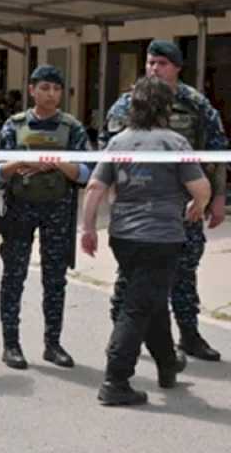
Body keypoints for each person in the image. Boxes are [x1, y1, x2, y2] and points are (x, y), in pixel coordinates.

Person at [82, 76, 210, 406]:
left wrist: (88, 228)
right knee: (138, 306)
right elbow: (200, 187)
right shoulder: (175, 142)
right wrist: (199, 205)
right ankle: (116, 379)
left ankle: (167, 364)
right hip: (162, 237)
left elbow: (95, 187)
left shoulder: (119, 142)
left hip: (124, 236)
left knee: (150, 298)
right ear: (166, 107)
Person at [100, 40, 228, 362]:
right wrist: (114, 196)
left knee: (185, 271)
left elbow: (217, 152)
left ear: (177, 68)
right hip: (138, 208)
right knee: (132, 273)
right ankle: (122, 334)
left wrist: (217, 198)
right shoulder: (127, 104)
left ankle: (189, 335)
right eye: (150, 63)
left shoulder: (196, 104)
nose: (154, 69)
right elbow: (108, 150)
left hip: (185, 208)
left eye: (162, 63)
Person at [0, 65, 90, 370]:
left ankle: (53, 344)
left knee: (55, 279)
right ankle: (11, 344)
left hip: (58, 210)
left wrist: (57, 162)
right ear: (32, 90)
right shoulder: (15, 125)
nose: (50, 94)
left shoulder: (72, 128)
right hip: (20, 210)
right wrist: (23, 160)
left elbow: (86, 173)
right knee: (13, 277)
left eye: (56, 89)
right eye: (44, 88)